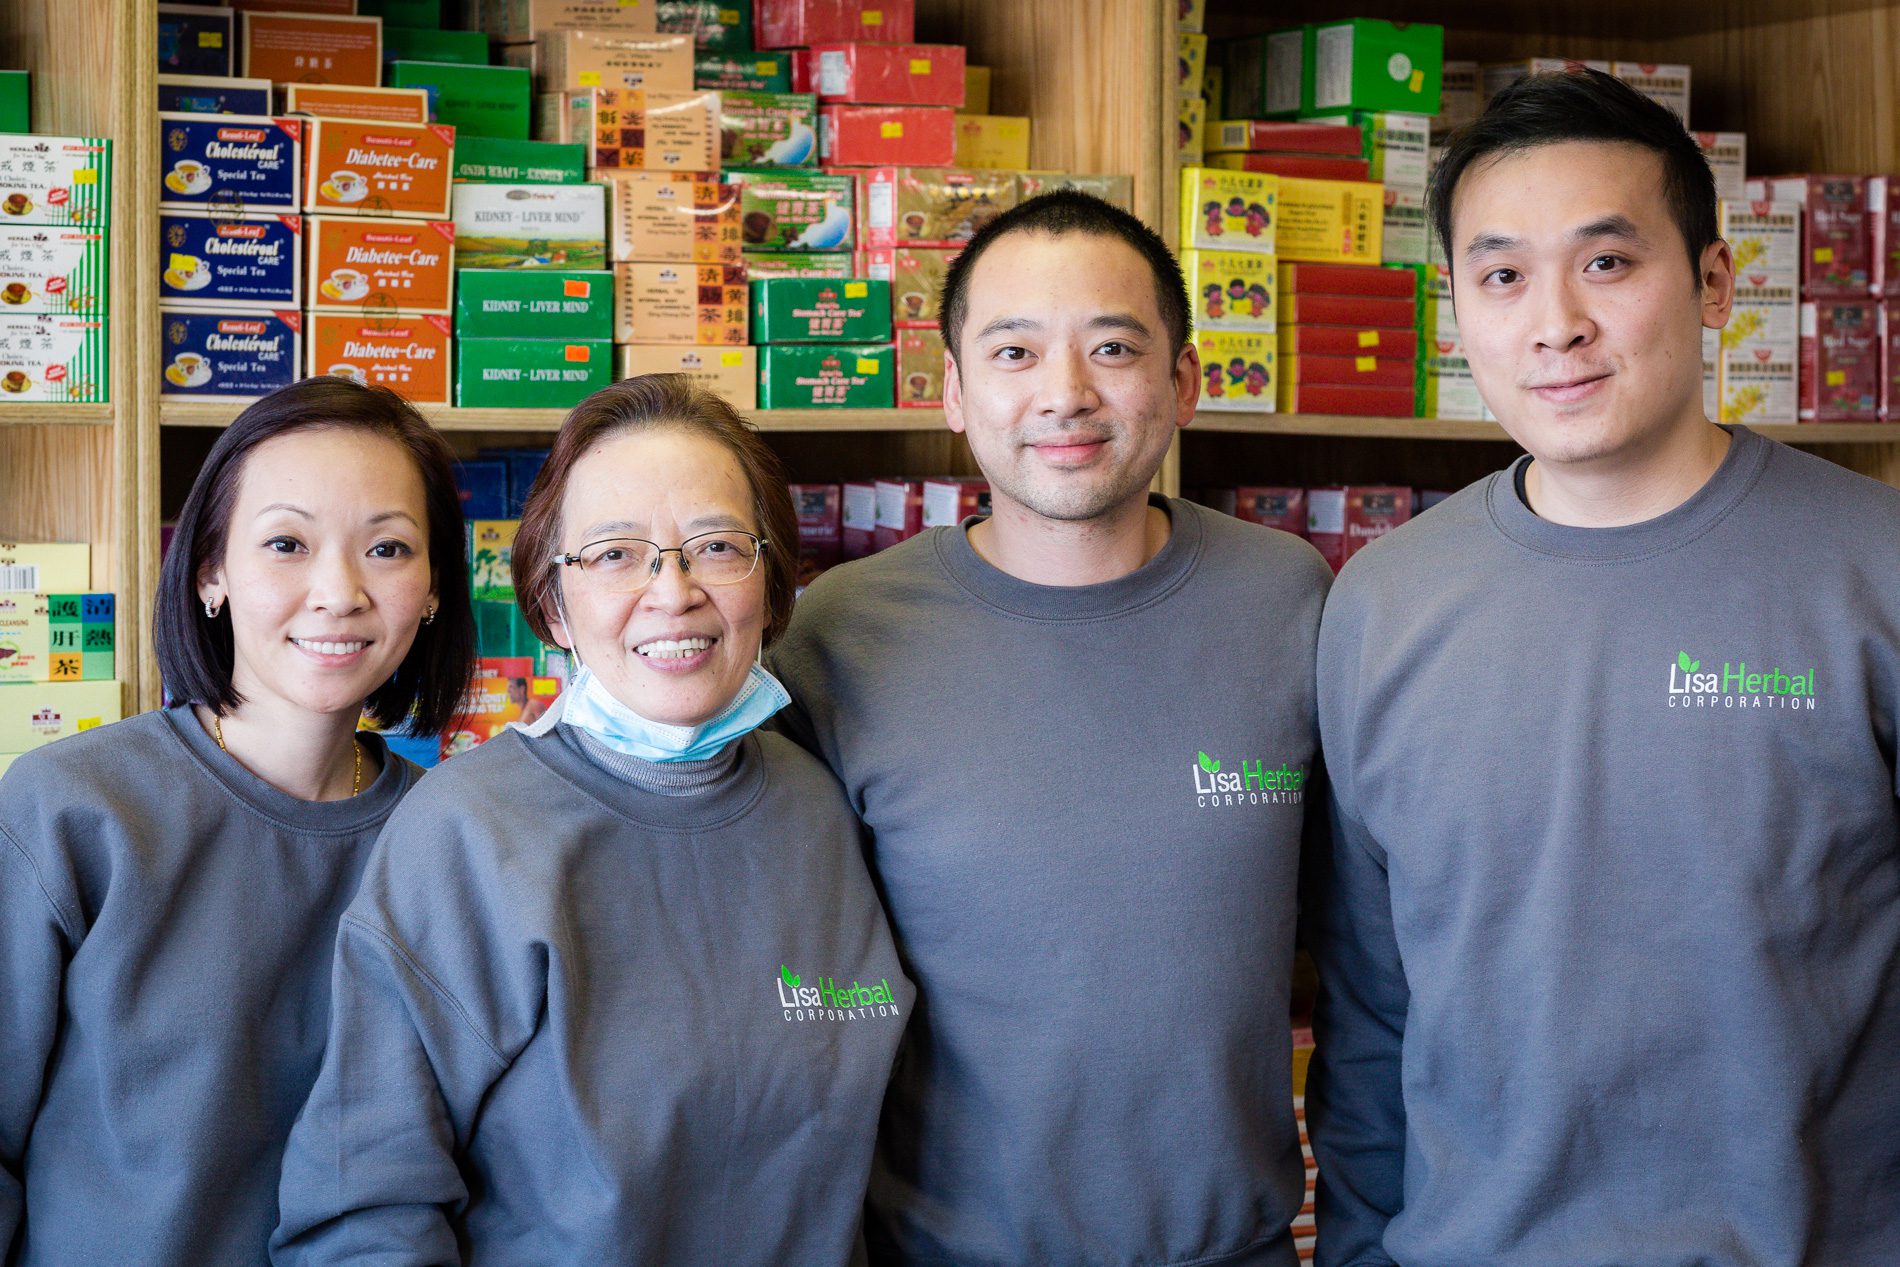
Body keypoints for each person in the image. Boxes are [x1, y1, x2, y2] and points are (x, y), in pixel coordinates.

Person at [1305, 69, 1900, 1267]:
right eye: (1502, 275)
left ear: (1715, 284)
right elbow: (1371, 1007)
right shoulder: (1382, 599)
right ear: (1458, 311)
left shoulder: (1873, 569)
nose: (1554, 322)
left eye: (1607, 263)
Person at [770, 191, 1333, 1266]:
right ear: (953, 391)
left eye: (1112, 348)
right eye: (1015, 351)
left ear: (1183, 382)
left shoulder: (1290, 599)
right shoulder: (837, 636)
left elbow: (1362, 946)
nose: (1064, 394)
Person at [271, 376, 913, 1265]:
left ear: (771, 584)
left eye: (717, 545)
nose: (673, 590)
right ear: (551, 602)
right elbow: (362, 1207)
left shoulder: (824, 806)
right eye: (615, 554)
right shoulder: (471, 832)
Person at [0, 377, 475, 1265]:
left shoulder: (451, 844)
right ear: (211, 569)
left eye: (388, 547)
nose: (338, 592)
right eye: (287, 542)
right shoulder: (68, 810)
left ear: (435, 586)